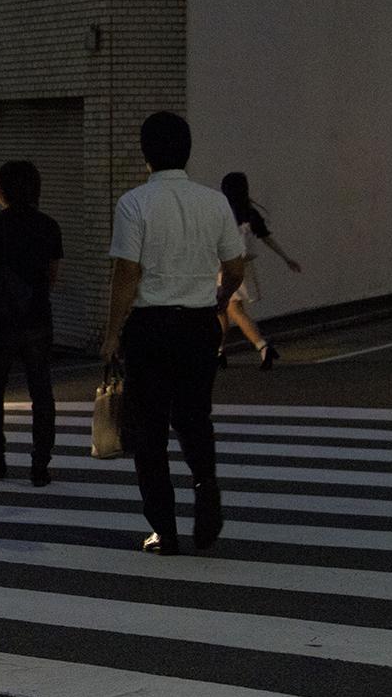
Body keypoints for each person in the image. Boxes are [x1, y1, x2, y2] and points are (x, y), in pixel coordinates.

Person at [102, 112, 246, 556]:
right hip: (199, 325)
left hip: (150, 327)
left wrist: (111, 334)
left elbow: (127, 274)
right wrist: (219, 302)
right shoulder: (214, 202)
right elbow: (235, 265)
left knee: (150, 432)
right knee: (193, 417)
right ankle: (207, 494)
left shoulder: (134, 203)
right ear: (187, 149)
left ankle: (164, 529)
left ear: (146, 153)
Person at [0, 160, 62, 486]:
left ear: (2, 190)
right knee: (42, 393)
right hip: (37, 319)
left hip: (0, 321)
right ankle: (40, 465)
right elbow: (52, 277)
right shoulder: (49, 226)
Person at [218, 172, 302, 370]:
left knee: (232, 310)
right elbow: (266, 237)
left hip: (224, 266)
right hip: (244, 265)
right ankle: (219, 352)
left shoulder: (223, 212)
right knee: (223, 310)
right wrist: (286, 258)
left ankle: (262, 345)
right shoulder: (249, 212)